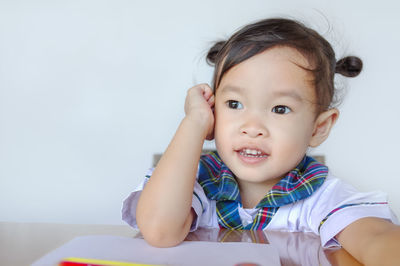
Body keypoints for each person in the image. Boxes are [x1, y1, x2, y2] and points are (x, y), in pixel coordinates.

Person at [122, 17, 400, 264]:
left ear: (319, 127)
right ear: (213, 110)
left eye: (279, 109)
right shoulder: (195, 186)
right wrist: (193, 123)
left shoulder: (324, 200)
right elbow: (159, 231)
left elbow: (378, 240)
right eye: (234, 103)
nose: (252, 128)